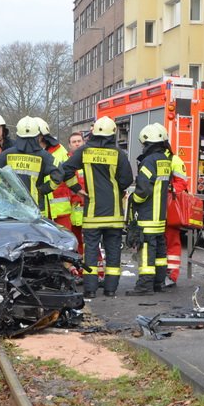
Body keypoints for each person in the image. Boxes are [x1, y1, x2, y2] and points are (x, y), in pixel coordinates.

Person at [60, 116, 133, 298]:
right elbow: (127, 180)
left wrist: (77, 188)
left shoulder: (85, 151)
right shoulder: (118, 154)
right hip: (114, 214)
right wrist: (116, 187)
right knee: (113, 251)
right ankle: (110, 289)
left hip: (92, 213)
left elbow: (66, 169)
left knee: (91, 251)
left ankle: (90, 290)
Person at [127, 123, 172, 296]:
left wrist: (134, 200)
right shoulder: (164, 160)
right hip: (160, 216)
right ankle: (158, 283)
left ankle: (145, 286)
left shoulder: (148, 161)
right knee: (160, 252)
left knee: (146, 251)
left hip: (147, 215)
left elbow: (143, 189)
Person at [0, 116, 61, 216]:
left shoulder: (7, 154)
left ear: (18, 135)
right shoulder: (44, 156)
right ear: (37, 135)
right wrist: (43, 190)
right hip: (36, 210)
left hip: (12, 210)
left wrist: (4, 188)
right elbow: (59, 173)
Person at [37, 118, 75, 232]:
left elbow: (69, 175)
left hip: (60, 210)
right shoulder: (30, 152)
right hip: (40, 209)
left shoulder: (60, 151)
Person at [164, 147, 189, 288]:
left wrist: (167, 188)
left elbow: (181, 184)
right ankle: (161, 273)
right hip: (159, 207)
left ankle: (172, 275)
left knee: (172, 241)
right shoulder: (155, 158)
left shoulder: (174, 160)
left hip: (171, 207)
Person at [67, 131, 86, 253]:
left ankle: (97, 266)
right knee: (75, 240)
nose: (77, 144)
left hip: (87, 207)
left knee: (90, 241)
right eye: (74, 142)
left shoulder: (89, 160)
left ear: (83, 142)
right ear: (69, 145)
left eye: (79, 141)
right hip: (71, 210)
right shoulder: (67, 162)